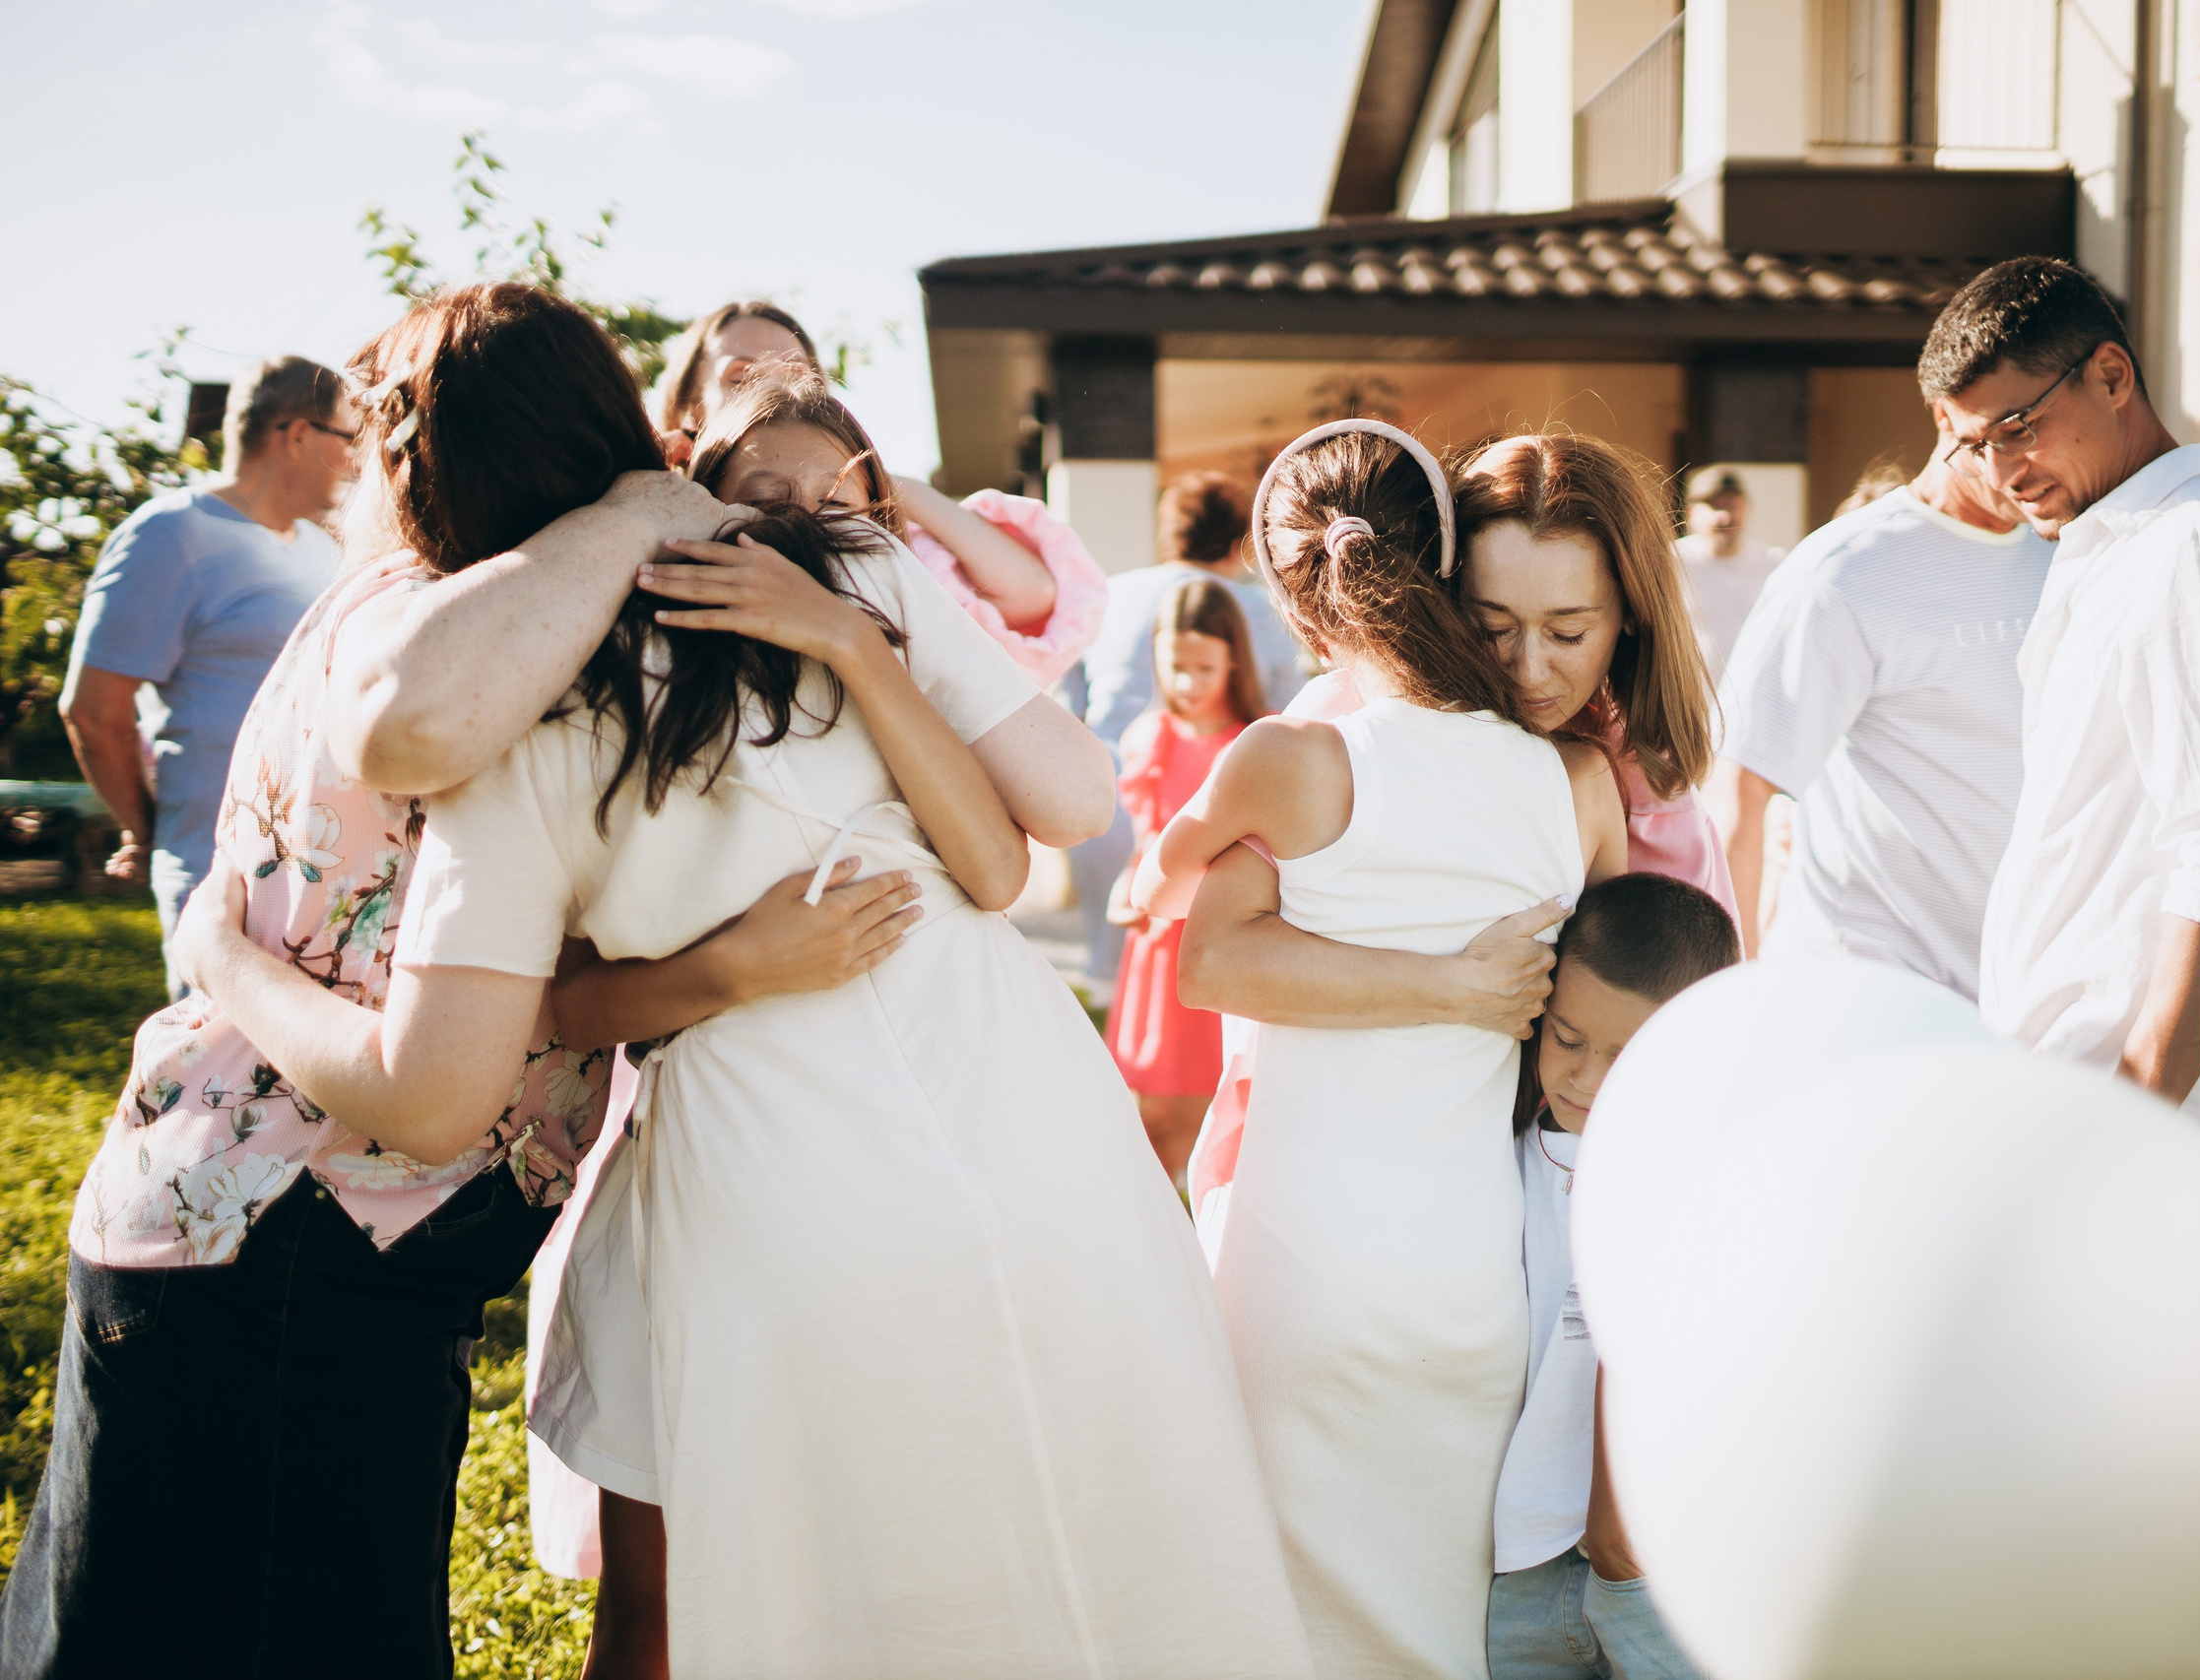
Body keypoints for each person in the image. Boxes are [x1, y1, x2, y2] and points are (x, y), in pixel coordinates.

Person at [197, 360, 1314, 1677]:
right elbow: (1038, 823)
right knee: (988, 1516)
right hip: (877, 1112)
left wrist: (847, 645)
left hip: (890, 1111)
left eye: (828, 494)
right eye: (757, 487)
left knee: (909, 1535)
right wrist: (735, 957)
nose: (792, 516)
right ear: (674, 477)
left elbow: (1020, 851)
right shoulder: (719, 629)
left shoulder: (772, 623)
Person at [0, 287, 764, 1679]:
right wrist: (631, 514)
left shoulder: (514, 608)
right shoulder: (419, 609)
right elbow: (412, 732)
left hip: (296, 1249)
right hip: (277, 1244)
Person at [1134, 419, 1629, 1680]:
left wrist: (1173, 858)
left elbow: (1190, 941)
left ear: (1295, 599)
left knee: (1274, 1620)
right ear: (1450, 567)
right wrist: (1474, 991)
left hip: (1302, 1253)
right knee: (1432, 1622)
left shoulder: (1293, 760)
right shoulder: (1576, 780)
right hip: (1475, 1270)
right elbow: (1613, 972)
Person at [1171, 431, 1737, 1243]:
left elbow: (1692, 1033)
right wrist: (1454, 985)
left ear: (1631, 622)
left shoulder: (1642, 790)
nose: (1528, 670)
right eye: (1490, 624)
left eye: (1569, 633)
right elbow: (1218, 955)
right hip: (1344, 1192)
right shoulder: (1341, 732)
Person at [1929, 257, 2200, 1105]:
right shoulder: (2112, 554)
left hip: (2144, 1116)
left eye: (2017, 426)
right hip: (2073, 1092)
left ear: (2112, 376)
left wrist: (2140, 1107)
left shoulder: (2197, 553)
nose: (2002, 474)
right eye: (1975, 446)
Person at [1703, 421, 2053, 994]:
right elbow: (1740, 789)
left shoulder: (2070, 551)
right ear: (1949, 414)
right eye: (2010, 428)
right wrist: (1732, 998)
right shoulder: (1835, 574)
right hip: (1866, 994)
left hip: (2023, 993)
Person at [1491, 872, 1738, 1680]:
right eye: (1567, 1039)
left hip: (1663, 1574)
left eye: (1628, 1055)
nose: (1587, 1079)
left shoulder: (1712, 1179)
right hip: (1518, 1575)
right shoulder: (1501, 1145)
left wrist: (1622, 1556)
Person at [58, 356, 354, 994]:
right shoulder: (170, 535)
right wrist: (151, 830)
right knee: (217, 1078)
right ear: (297, 435)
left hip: (320, 865)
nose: (357, 460)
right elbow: (93, 710)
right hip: (217, 873)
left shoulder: (321, 547)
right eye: (347, 438)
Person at [657, 297, 1105, 688]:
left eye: (793, 373)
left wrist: (894, 490)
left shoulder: (875, 533)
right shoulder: (651, 524)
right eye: (741, 376)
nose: (769, 388)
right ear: (687, 405)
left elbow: (1031, 594)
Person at [1069, 472, 1306, 987]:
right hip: (1211, 818)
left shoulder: (1109, 597)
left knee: (1116, 980)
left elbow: (1070, 705)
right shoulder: (1254, 608)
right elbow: (1291, 713)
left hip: (1102, 800)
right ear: (1234, 539)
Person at [1104, 576, 1266, 1183]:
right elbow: (1142, 851)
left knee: (1212, 1093)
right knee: (1149, 1102)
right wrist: (1127, 897)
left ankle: (1203, 1212)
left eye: (1205, 667)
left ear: (1233, 660)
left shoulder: (1253, 745)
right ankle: (1159, 1212)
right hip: (1154, 943)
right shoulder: (1152, 740)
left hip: (1218, 933)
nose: (1189, 684)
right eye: (1176, 666)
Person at [1672, 466, 1785, 679]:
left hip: (1750, 698)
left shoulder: (1772, 563)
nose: (1724, 516)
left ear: (1746, 509)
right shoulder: (1670, 562)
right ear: (1690, 513)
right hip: (1689, 702)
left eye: (1732, 505)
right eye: (1714, 506)